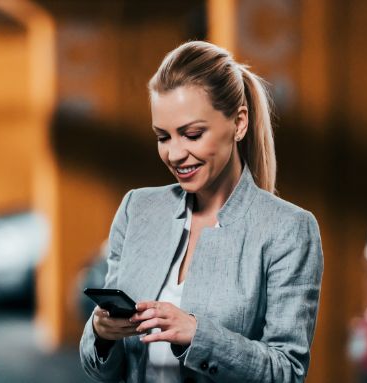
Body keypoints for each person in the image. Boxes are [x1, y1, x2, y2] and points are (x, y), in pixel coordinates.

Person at [80, 40, 323, 383]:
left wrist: (198, 335)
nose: (175, 154)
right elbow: (100, 368)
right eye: (163, 137)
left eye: (192, 134)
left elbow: (286, 372)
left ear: (239, 124)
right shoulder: (138, 208)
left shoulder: (288, 229)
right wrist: (100, 332)